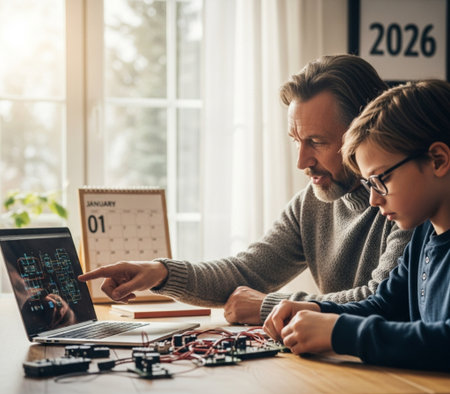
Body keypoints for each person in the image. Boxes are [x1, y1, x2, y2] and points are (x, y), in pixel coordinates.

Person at [79, 54, 412, 325]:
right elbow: (246, 271)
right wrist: (160, 273)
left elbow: (379, 299)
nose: (302, 161)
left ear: (364, 130)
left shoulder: (408, 201)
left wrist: (269, 306)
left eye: (317, 142)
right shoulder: (310, 203)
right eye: (296, 141)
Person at [264, 79, 450, 371]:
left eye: (381, 180)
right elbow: (382, 306)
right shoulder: (425, 234)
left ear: (438, 160)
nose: (374, 199)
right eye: (368, 184)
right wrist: (318, 310)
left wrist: (339, 333)